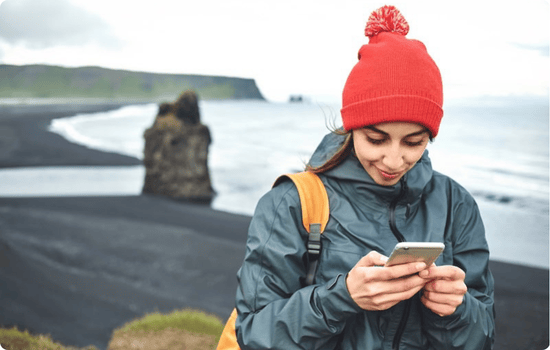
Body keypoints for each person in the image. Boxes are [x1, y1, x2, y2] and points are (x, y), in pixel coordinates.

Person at [233, 5, 495, 349]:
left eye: (413, 142)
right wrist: (342, 297)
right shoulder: (292, 202)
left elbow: (484, 335)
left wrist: (456, 310)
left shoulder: (455, 205)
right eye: (376, 139)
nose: (393, 159)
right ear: (351, 127)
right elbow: (253, 334)